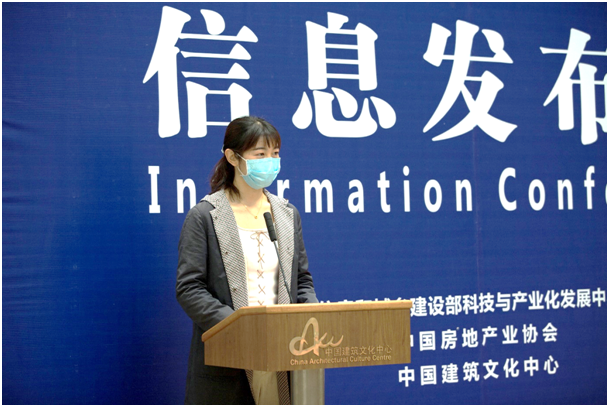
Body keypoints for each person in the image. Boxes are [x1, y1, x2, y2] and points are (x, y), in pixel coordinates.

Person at [176, 116, 318, 405]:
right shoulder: (204, 215)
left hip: (283, 352)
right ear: (232, 157)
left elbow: (301, 280)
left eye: (275, 154)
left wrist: (313, 319)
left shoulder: (287, 213)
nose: (270, 162)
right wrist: (238, 328)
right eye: (260, 154)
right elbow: (189, 288)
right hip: (229, 358)